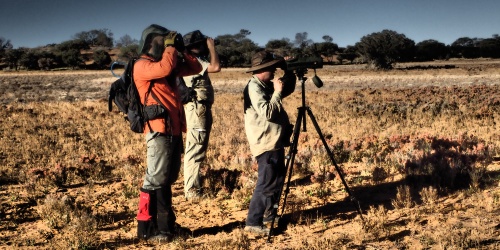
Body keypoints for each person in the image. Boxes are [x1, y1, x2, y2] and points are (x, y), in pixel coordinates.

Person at [133, 24, 202, 242]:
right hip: (157, 131)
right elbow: (164, 69)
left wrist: (182, 50)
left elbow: (195, 67)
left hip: (172, 130)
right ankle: (148, 228)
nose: (166, 44)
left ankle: (166, 226)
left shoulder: (167, 62)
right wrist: (172, 48)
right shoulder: (142, 65)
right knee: (155, 180)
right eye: (163, 40)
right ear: (152, 40)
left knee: (167, 178)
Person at [243, 49, 296, 235]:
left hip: (274, 141)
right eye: (271, 69)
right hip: (265, 142)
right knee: (266, 183)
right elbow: (268, 112)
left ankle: (269, 215)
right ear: (261, 70)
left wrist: (288, 71)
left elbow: (285, 90)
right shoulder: (254, 87)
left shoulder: (263, 84)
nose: (274, 72)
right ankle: (253, 222)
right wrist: (277, 92)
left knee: (276, 180)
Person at [179, 30, 221, 199]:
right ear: (194, 47)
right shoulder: (191, 61)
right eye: (202, 44)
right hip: (197, 108)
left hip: (198, 108)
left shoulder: (191, 60)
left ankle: (192, 187)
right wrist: (212, 48)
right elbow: (216, 67)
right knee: (195, 149)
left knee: (196, 148)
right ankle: (192, 191)